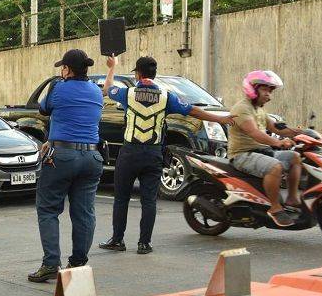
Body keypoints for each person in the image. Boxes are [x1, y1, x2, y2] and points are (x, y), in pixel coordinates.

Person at [99, 56, 234, 255]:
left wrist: (112, 68)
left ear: (137, 74)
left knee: (121, 199)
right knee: (149, 200)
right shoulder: (166, 96)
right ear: (154, 74)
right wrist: (220, 118)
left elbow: (107, 89)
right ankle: (144, 244)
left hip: (129, 153)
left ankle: (117, 240)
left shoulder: (128, 93)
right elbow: (192, 111)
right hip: (153, 154)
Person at [28, 49, 104, 283]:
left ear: (67, 70)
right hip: (92, 158)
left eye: (63, 67)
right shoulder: (96, 91)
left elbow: (43, 109)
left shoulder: (58, 88)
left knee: (48, 209)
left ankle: (51, 263)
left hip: (62, 157)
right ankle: (78, 262)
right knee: (84, 212)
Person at [225, 70, 310, 227]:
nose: (268, 95)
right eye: (265, 90)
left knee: (294, 158)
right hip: (242, 155)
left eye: (270, 91)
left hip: (260, 152)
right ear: (252, 89)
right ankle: (275, 208)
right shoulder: (241, 109)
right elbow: (254, 133)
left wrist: (302, 133)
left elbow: (277, 129)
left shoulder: (259, 109)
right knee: (275, 167)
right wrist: (278, 143)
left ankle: (291, 198)